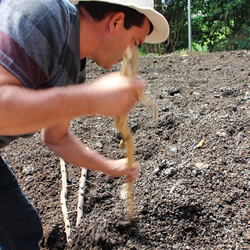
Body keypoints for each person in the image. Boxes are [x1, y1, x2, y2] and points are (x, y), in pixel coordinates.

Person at [0, 0, 169, 248]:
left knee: (22, 230)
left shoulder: (74, 65)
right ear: (115, 22)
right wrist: (91, 100)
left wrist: (110, 166)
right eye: (136, 43)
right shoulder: (41, 14)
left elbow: (56, 137)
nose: (134, 55)